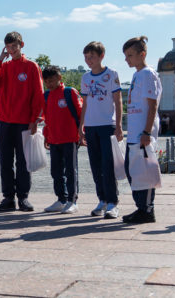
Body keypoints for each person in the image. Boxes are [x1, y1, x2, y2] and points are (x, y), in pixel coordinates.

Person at [0, 31, 44, 212]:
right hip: (4, 122)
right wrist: (0, 60)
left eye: (14, 46)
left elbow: (38, 95)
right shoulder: (3, 66)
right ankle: (8, 198)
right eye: (8, 47)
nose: (11, 50)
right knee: (5, 162)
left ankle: (23, 198)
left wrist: (36, 119)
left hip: (24, 122)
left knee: (23, 162)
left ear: (21, 45)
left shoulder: (32, 66)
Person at [78, 41, 124, 219]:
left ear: (101, 56)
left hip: (107, 125)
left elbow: (118, 100)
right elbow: (85, 103)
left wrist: (119, 125)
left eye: (92, 57)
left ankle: (113, 202)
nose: (89, 61)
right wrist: (81, 126)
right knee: (96, 166)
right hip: (90, 126)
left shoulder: (111, 74)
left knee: (108, 165)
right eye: (86, 58)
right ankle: (102, 199)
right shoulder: (86, 78)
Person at [122, 36, 161, 224]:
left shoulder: (147, 74)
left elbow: (152, 105)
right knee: (133, 171)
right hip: (135, 133)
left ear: (142, 54)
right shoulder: (137, 74)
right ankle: (141, 208)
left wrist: (147, 132)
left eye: (130, 55)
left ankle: (147, 210)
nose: (126, 59)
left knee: (143, 172)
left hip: (142, 134)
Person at [41, 66, 82, 214]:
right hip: (53, 139)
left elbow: (81, 113)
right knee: (56, 171)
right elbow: (46, 118)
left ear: (59, 78)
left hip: (70, 138)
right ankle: (61, 199)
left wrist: (82, 133)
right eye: (46, 81)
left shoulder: (69, 92)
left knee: (71, 171)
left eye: (52, 80)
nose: (49, 84)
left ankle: (72, 200)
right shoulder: (46, 96)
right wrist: (46, 135)